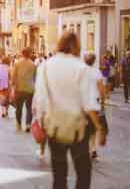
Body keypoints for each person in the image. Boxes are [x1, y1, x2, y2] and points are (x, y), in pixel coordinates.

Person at [33, 32, 106, 189]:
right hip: (78, 126)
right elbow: (88, 102)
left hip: (55, 125)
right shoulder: (81, 68)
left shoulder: (45, 66)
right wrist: (99, 128)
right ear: (75, 46)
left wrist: (40, 121)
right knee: (83, 171)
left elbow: (41, 99)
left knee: (59, 174)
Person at [85, 53, 105, 159]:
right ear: (94, 61)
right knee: (93, 127)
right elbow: (101, 88)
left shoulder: (81, 71)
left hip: (83, 103)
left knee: (85, 126)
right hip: (94, 103)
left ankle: (87, 148)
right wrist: (102, 101)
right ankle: (93, 148)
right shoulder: (97, 72)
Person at [11, 47, 36, 132]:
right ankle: (28, 124)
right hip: (29, 89)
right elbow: (35, 78)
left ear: (22, 53)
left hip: (19, 88)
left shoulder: (17, 64)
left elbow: (13, 76)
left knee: (19, 108)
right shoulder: (33, 64)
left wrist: (13, 87)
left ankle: (18, 124)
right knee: (29, 108)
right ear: (29, 54)